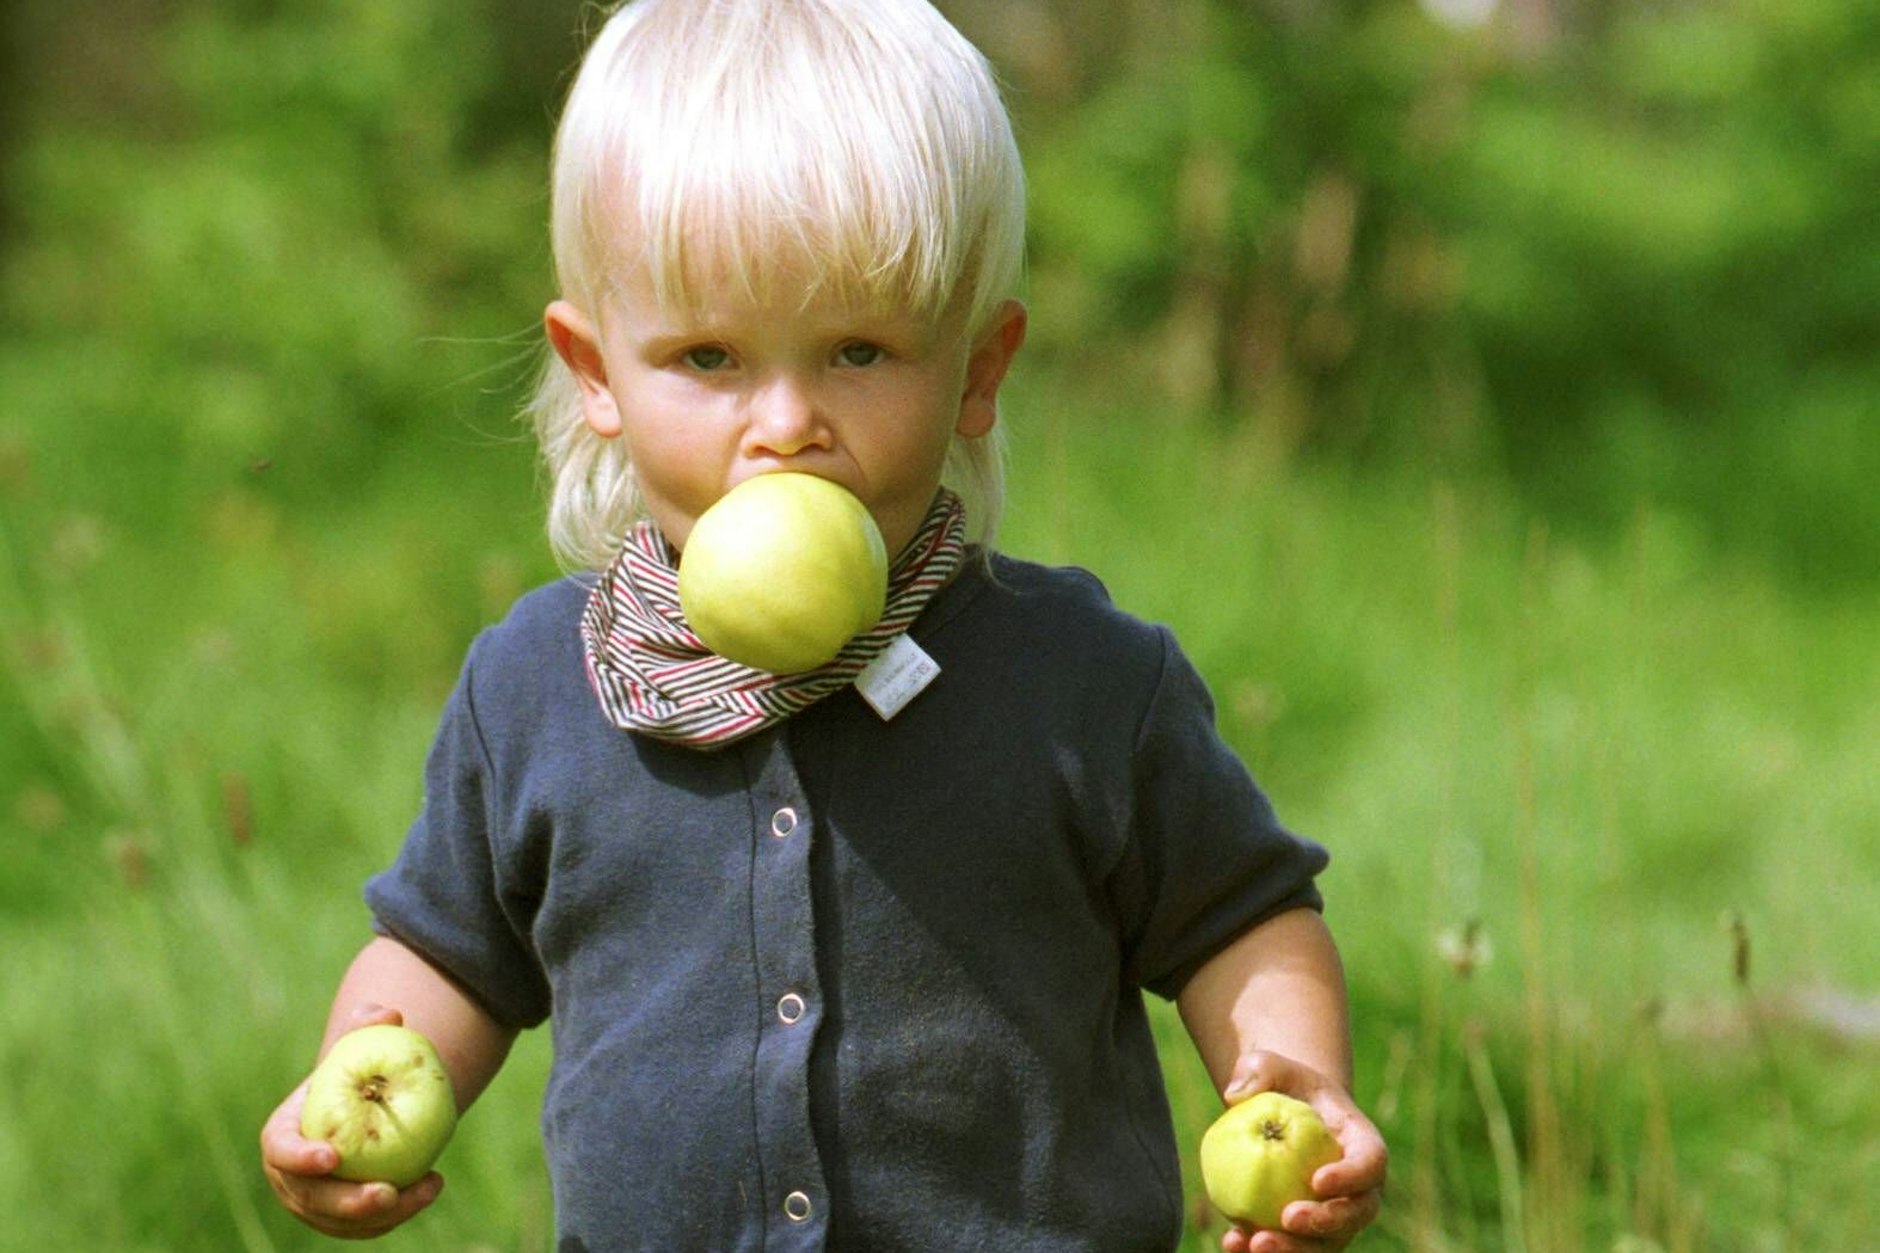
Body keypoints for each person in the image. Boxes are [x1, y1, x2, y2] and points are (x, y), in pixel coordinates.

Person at [259, 0, 1387, 1249]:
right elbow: (445, 953)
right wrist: (352, 1081)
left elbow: (1240, 911)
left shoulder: (1080, 679)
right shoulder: (536, 686)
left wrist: (1295, 1077)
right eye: (707, 356)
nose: (783, 421)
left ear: (975, 368)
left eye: (857, 350)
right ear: (595, 373)